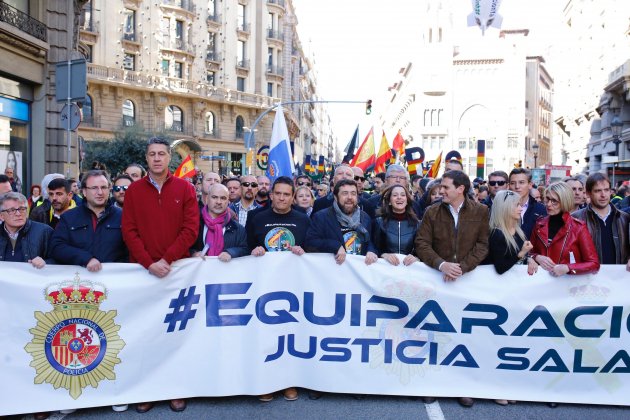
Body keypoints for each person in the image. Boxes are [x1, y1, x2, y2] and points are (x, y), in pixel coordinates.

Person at [121, 137, 199, 414]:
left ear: (169, 158)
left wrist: (167, 260)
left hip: (177, 272)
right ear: (146, 159)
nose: (156, 158)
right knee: (145, 333)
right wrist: (149, 262)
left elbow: (191, 229)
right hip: (143, 273)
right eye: (152, 154)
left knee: (176, 334)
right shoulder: (133, 192)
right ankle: (146, 390)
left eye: (161, 154)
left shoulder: (185, 188)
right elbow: (128, 230)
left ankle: (176, 389)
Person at [414, 170, 488, 408]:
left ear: (461, 189)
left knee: (462, 338)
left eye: (446, 187)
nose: (441, 190)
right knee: (433, 336)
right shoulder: (431, 212)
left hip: (465, 284)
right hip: (437, 282)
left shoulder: (481, 211)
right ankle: (431, 384)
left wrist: (462, 268)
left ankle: (462, 386)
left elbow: (482, 245)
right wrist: (442, 265)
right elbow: (422, 244)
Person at [246, 176, 310, 402]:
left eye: (286, 194)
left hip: (293, 285)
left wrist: (304, 251)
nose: (282, 198)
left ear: (293, 198)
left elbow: (312, 250)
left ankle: (288, 382)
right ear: (271, 195)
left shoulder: (302, 219)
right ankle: (266, 382)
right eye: (278, 193)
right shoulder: (256, 217)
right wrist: (254, 250)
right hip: (264, 285)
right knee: (265, 333)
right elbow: (246, 245)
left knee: (290, 334)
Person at [50, 170, 128, 270]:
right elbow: (56, 247)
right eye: (94, 188)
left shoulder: (122, 216)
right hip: (81, 281)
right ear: (84, 191)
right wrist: (86, 259)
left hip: (113, 280)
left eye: (104, 187)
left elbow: (131, 250)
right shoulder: (69, 217)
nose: (100, 192)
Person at [529, 182, 599, 277]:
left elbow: (594, 264)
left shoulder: (578, 228)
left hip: (568, 285)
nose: (549, 204)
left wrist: (568, 268)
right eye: (548, 199)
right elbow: (530, 252)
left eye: (554, 201)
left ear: (564, 201)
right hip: (542, 284)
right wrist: (536, 257)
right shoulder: (539, 224)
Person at [306, 179, 378, 265]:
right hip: (334, 271)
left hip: (358, 272)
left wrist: (371, 250)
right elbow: (310, 243)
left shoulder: (365, 217)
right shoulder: (321, 217)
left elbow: (369, 241)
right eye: (345, 193)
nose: (350, 197)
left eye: (353, 193)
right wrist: (335, 246)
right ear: (336, 197)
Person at [572, 173, 629, 270]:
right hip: (587, 279)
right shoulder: (575, 219)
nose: (603, 195)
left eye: (606, 190)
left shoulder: (624, 218)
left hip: (618, 280)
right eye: (598, 191)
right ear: (588, 193)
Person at [191, 183, 247, 260]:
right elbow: (185, 246)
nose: (218, 202)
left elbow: (245, 249)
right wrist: (194, 253)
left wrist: (231, 252)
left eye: (223, 198)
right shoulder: (194, 223)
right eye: (214, 197)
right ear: (207, 199)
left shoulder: (238, 228)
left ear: (228, 201)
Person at [0, 192, 52, 267]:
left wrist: (45, 262)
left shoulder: (44, 231)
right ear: (1, 216)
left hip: (34, 277)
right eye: (11, 210)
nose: (18, 214)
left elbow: (60, 259)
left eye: (22, 209)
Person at [372, 185, 420, 266]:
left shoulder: (417, 224)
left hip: (409, 270)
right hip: (385, 269)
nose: (399, 197)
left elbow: (422, 248)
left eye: (402, 195)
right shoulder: (379, 222)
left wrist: (417, 257)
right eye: (395, 195)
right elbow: (373, 248)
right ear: (389, 201)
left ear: (407, 200)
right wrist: (383, 255)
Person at [488, 190, 533, 275]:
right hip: (501, 284)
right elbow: (500, 268)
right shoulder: (496, 234)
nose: (521, 208)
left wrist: (529, 259)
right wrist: (521, 253)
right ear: (505, 208)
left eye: (520, 204)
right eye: (517, 205)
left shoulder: (518, 230)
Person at [508, 168, 546, 239]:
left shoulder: (541, 209)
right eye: (513, 183)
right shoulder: (503, 209)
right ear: (509, 186)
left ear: (530, 185)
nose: (517, 187)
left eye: (521, 182)